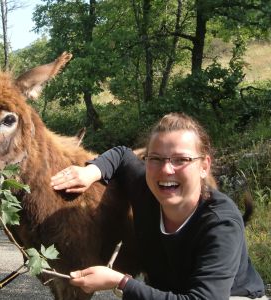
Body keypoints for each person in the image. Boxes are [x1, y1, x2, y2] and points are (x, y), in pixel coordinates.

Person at [50, 113, 266, 299]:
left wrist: (121, 282)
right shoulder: (146, 190)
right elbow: (123, 155)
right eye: (156, 159)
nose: (166, 170)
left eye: (181, 160)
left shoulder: (220, 222)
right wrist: (90, 172)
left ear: (204, 166)